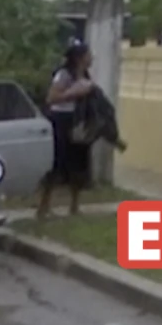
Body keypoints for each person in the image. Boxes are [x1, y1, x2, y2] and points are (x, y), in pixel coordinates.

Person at [36, 42, 97, 220]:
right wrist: (74, 93)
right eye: (88, 54)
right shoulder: (64, 75)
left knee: (78, 163)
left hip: (77, 120)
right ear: (79, 57)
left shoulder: (85, 75)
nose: (91, 58)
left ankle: (74, 205)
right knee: (57, 163)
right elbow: (52, 98)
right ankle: (43, 206)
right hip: (61, 120)